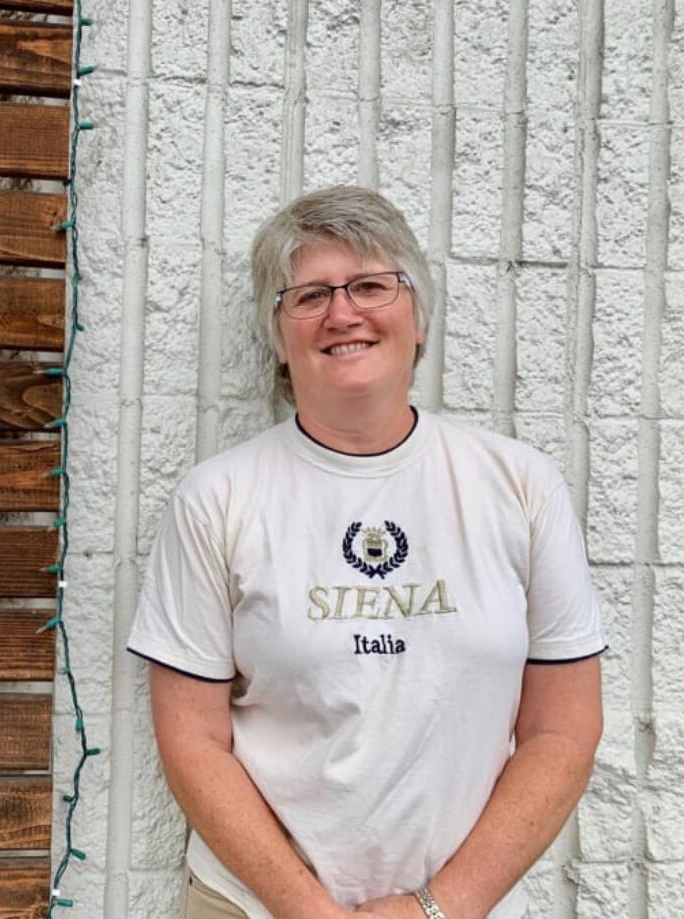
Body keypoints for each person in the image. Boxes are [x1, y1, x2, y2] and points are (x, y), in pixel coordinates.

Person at [126, 186, 606, 919]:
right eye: (309, 295)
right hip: (253, 905)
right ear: (278, 338)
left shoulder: (520, 485)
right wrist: (308, 909)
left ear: (418, 319)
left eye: (371, 286)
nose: (343, 313)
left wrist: (440, 906)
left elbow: (562, 729)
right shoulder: (218, 498)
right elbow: (192, 741)